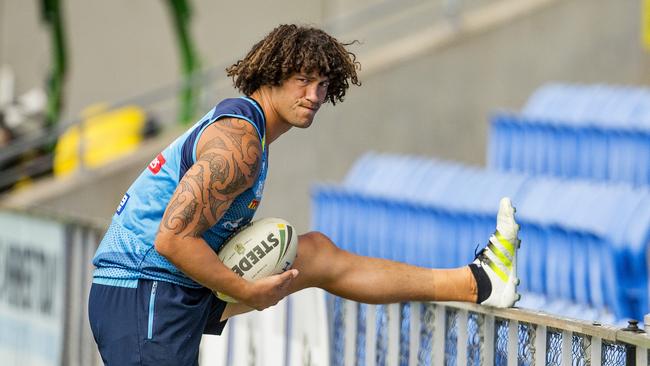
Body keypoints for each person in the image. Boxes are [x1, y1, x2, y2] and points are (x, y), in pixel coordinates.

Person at [88, 24, 521, 365]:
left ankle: (476, 282)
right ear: (271, 76)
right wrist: (247, 290)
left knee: (316, 256)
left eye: (323, 85)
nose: (314, 95)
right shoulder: (241, 142)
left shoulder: (250, 133)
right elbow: (171, 239)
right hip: (144, 292)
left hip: (159, 292)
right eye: (302, 80)